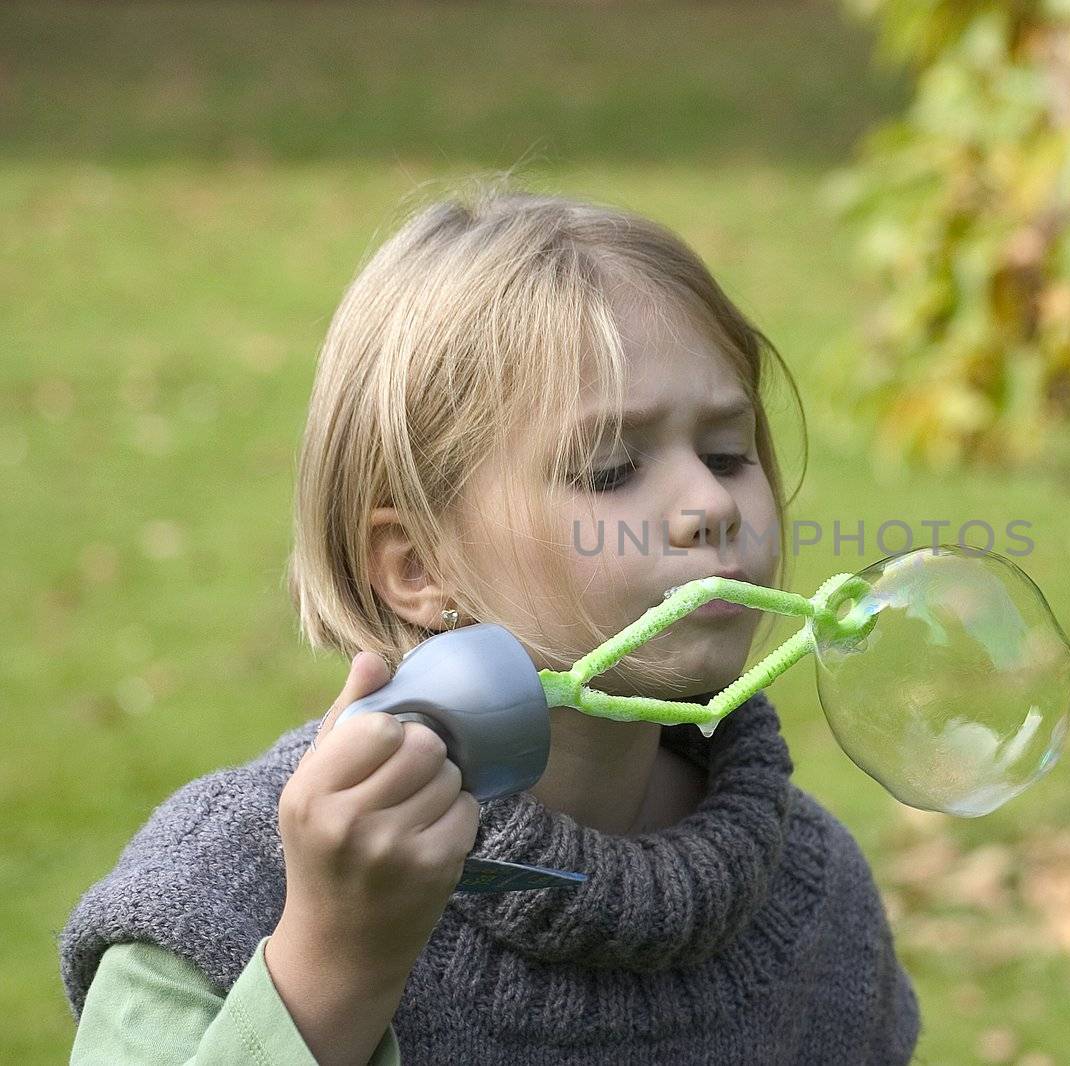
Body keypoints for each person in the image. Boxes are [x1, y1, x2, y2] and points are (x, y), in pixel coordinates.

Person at [59, 181, 923, 1065]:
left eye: (728, 453)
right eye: (611, 471)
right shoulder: (226, 895)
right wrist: (334, 963)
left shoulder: (813, 894)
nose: (709, 502)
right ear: (419, 567)